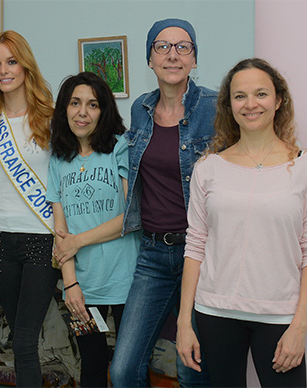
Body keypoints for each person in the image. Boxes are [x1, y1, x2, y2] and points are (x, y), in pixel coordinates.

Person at [176, 57, 307, 387]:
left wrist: (299, 326)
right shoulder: (208, 168)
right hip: (214, 312)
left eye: (261, 94)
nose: (250, 104)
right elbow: (196, 245)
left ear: (278, 100)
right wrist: (184, 322)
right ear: (229, 105)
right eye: (239, 96)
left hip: (279, 316)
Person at [110, 18, 215, 387]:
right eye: (162, 47)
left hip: (201, 255)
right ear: (150, 59)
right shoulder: (141, 108)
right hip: (153, 254)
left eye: (183, 46)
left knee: (191, 368)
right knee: (123, 370)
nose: (173, 55)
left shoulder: (215, 108)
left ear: (194, 59)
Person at [0, 30, 59, 387]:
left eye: (11, 61)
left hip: (42, 237)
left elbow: (66, 181)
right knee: (19, 338)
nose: (3, 70)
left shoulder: (52, 118)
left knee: (25, 339)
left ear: (26, 66)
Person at [46, 72, 138, 387]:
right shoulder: (58, 159)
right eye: (75, 103)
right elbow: (60, 230)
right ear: (64, 109)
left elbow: (130, 216)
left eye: (92, 104)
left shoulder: (119, 148)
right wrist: (70, 286)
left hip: (128, 285)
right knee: (92, 366)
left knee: (131, 370)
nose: (82, 112)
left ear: (104, 111)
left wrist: (78, 241)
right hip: (83, 290)